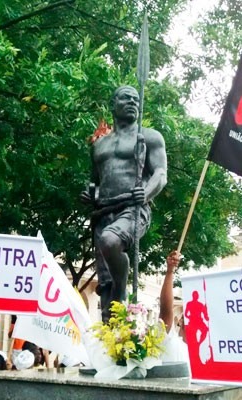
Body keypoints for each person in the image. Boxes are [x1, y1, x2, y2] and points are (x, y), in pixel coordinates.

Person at [81, 85, 167, 321]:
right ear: (113, 105)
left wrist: (146, 193)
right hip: (104, 211)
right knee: (107, 297)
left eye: (136, 99)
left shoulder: (149, 137)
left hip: (133, 207)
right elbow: (96, 181)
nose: (132, 102)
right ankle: (114, 331)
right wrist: (91, 194)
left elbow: (160, 174)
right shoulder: (99, 145)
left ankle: (122, 286)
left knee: (111, 241)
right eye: (126, 98)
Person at [159, 250, 189, 364]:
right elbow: (165, 309)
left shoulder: (203, 356)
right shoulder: (168, 339)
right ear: (181, 320)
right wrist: (170, 272)